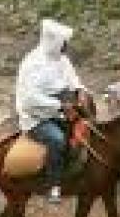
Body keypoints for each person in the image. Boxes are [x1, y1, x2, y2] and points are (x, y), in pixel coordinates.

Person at [15, 19, 88, 204]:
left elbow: (74, 79)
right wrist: (59, 106)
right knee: (57, 140)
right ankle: (53, 186)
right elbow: (30, 99)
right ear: (54, 41)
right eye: (63, 42)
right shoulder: (32, 64)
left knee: (90, 127)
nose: (66, 46)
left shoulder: (62, 60)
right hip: (37, 117)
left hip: (63, 109)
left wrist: (80, 91)